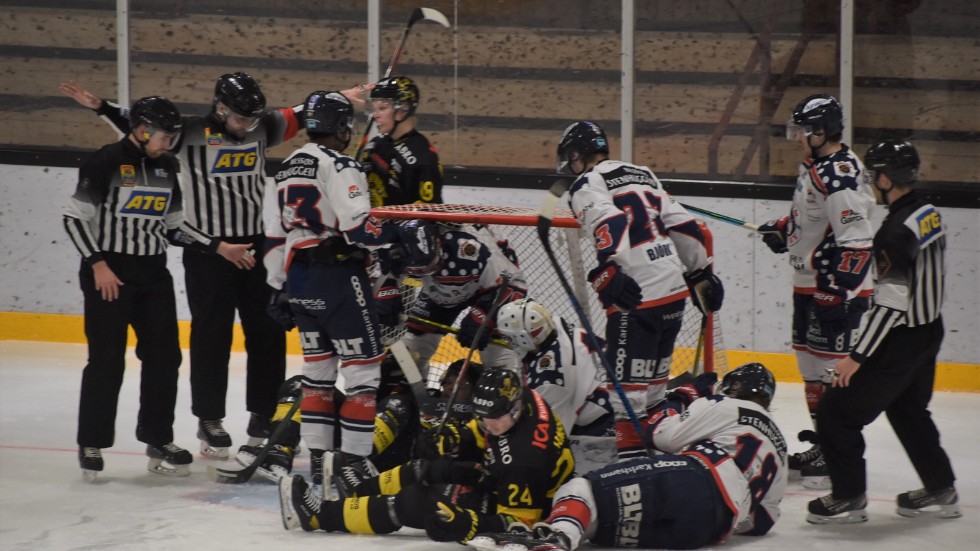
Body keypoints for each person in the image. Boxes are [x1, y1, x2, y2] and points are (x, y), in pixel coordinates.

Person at [59, 76, 369, 460]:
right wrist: (101, 107)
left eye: (253, 118)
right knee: (211, 335)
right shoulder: (187, 134)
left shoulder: (261, 126)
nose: (248, 125)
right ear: (221, 108)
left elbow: (308, 112)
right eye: (240, 118)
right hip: (209, 252)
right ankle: (210, 418)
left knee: (267, 332)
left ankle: (264, 413)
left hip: (253, 246)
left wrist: (343, 97)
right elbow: (140, 127)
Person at [63, 96, 256, 479]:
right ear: (141, 129)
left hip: (153, 275)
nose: (170, 141)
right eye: (165, 135)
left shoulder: (169, 166)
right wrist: (98, 264)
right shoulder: (105, 161)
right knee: (106, 361)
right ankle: (91, 441)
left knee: (166, 359)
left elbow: (175, 227)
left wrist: (220, 247)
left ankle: (157, 437)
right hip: (110, 275)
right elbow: (74, 219)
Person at [469, 363, 788, 551]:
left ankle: (553, 541)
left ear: (732, 387)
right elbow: (763, 521)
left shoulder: (726, 405)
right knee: (598, 524)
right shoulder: (779, 442)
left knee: (579, 490)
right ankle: (549, 533)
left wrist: (683, 396)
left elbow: (662, 434)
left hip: (696, 480)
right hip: (711, 529)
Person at [806, 140, 960, 524]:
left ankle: (847, 497)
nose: (873, 181)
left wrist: (855, 358)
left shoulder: (893, 231)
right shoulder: (928, 213)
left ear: (887, 178)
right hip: (929, 331)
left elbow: (891, 303)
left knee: (835, 414)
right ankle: (941, 487)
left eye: (875, 174)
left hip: (902, 339)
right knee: (909, 411)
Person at [556, 121, 724, 461]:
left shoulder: (586, 182)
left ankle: (634, 473)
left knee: (626, 401)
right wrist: (699, 272)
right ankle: (659, 462)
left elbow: (611, 222)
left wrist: (608, 266)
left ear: (576, 156)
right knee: (654, 395)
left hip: (638, 296)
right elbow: (685, 225)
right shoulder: (641, 172)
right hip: (673, 292)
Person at [264, 90, 402, 498]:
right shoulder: (341, 164)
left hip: (300, 281)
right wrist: (395, 237)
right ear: (341, 127)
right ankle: (351, 471)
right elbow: (359, 227)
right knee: (362, 375)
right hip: (338, 277)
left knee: (318, 378)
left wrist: (277, 288)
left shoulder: (287, 165)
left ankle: (320, 468)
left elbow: (274, 234)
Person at [278, 366, 574, 545]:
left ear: (513, 409)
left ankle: (318, 517)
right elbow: (488, 429)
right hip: (502, 476)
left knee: (417, 502)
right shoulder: (521, 398)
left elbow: (522, 527)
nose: (488, 424)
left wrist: (469, 523)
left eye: (493, 418)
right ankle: (356, 493)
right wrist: (459, 436)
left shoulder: (524, 461)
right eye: (482, 416)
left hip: (528, 503)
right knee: (424, 467)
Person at [758, 94, 875, 488]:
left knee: (831, 374)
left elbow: (857, 241)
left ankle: (837, 458)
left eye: (802, 130)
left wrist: (837, 291)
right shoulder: (815, 166)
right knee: (810, 370)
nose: (796, 138)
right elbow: (809, 220)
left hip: (832, 291)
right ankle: (825, 443)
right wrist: (783, 230)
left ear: (822, 131)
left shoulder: (839, 174)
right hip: (807, 284)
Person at [373, 219, 527, 375]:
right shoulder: (403, 245)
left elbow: (515, 287)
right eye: (418, 270)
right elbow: (385, 271)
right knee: (409, 356)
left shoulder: (472, 250)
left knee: (499, 364)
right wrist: (388, 290)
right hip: (439, 293)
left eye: (430, 265)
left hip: (490, 288)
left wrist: (484, 315)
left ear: (439, 244)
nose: (426, 271)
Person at [495, 299, 615, 473]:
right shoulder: (554, 324)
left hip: (605, 426)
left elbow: (551, 436)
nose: (508, 342)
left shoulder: (551, 379)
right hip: (605, 387)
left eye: (510, 337)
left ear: (524, 337)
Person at [359, 75, 443, 206]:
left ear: (403, 109)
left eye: (382, 108)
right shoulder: (376, 144)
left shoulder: (423, 158)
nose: (375, 115)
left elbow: (429, 213)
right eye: (374, 109)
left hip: (400, 226)